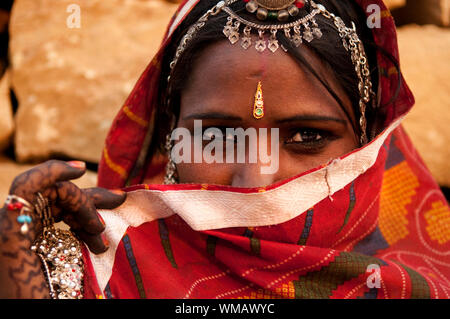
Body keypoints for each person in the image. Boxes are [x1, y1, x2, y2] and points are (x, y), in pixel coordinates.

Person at [0, 0, 449, 299]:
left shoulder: (422, 286)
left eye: (307, 137)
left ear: (368, 144)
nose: (254, 180)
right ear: (169, 135)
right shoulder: (85, 278)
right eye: (216, 136)